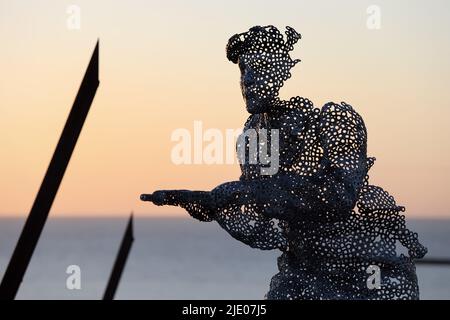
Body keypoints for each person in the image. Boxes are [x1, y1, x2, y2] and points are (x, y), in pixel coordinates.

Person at [141, 25, 427, 300]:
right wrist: (207, 202)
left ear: (279, 72)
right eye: (244, 72)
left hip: (364, 278)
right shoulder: (253, 137)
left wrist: (238, 194)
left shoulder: (333, 121)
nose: (249, 81)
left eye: (260, 69)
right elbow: (265, 223)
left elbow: (338, 199)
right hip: (301, 272)